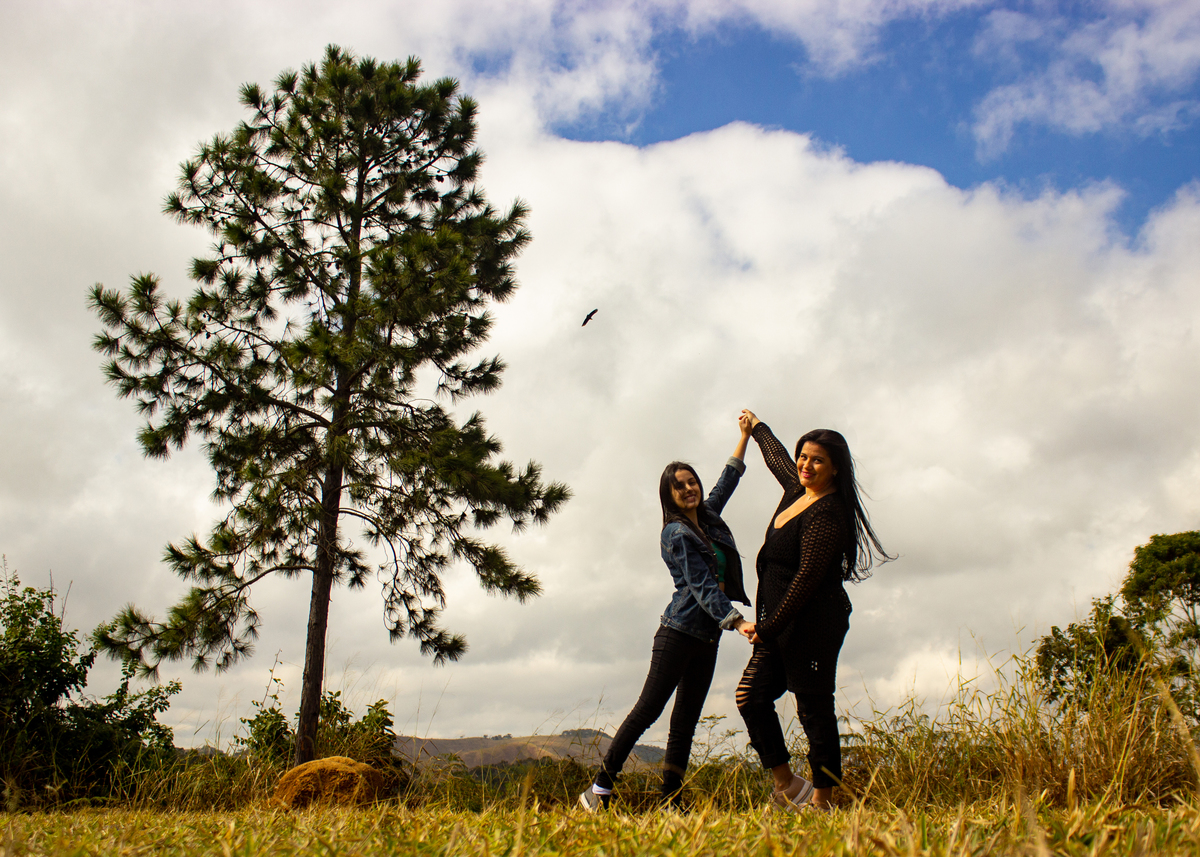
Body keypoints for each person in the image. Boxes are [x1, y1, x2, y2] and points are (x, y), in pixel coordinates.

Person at [579, 414, 758, 811]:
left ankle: (672, 801)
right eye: (678, 486)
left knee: (685, 723)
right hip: (678, 633)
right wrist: (737, 621)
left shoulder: (708, 519)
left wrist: (744, 437)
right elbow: (701, 584)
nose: (688, 489)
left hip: (706, 638)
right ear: (668, 495)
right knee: (647, 711)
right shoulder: (675, 533)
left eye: (691, 481)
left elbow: (726, 481)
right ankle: (599, 790)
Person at [735, 410, 891, 812]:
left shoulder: (828, 514)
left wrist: (767, 628)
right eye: (804, 456)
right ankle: (788, 785)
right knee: (750, 697)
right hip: (779, 623)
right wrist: (757, 428)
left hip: (812, 624)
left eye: (817, 460)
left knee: (813, 708)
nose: (805, 464)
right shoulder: (796, 490)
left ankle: (823, 800)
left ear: (835, 469)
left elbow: (805, 581)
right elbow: (778, 459)